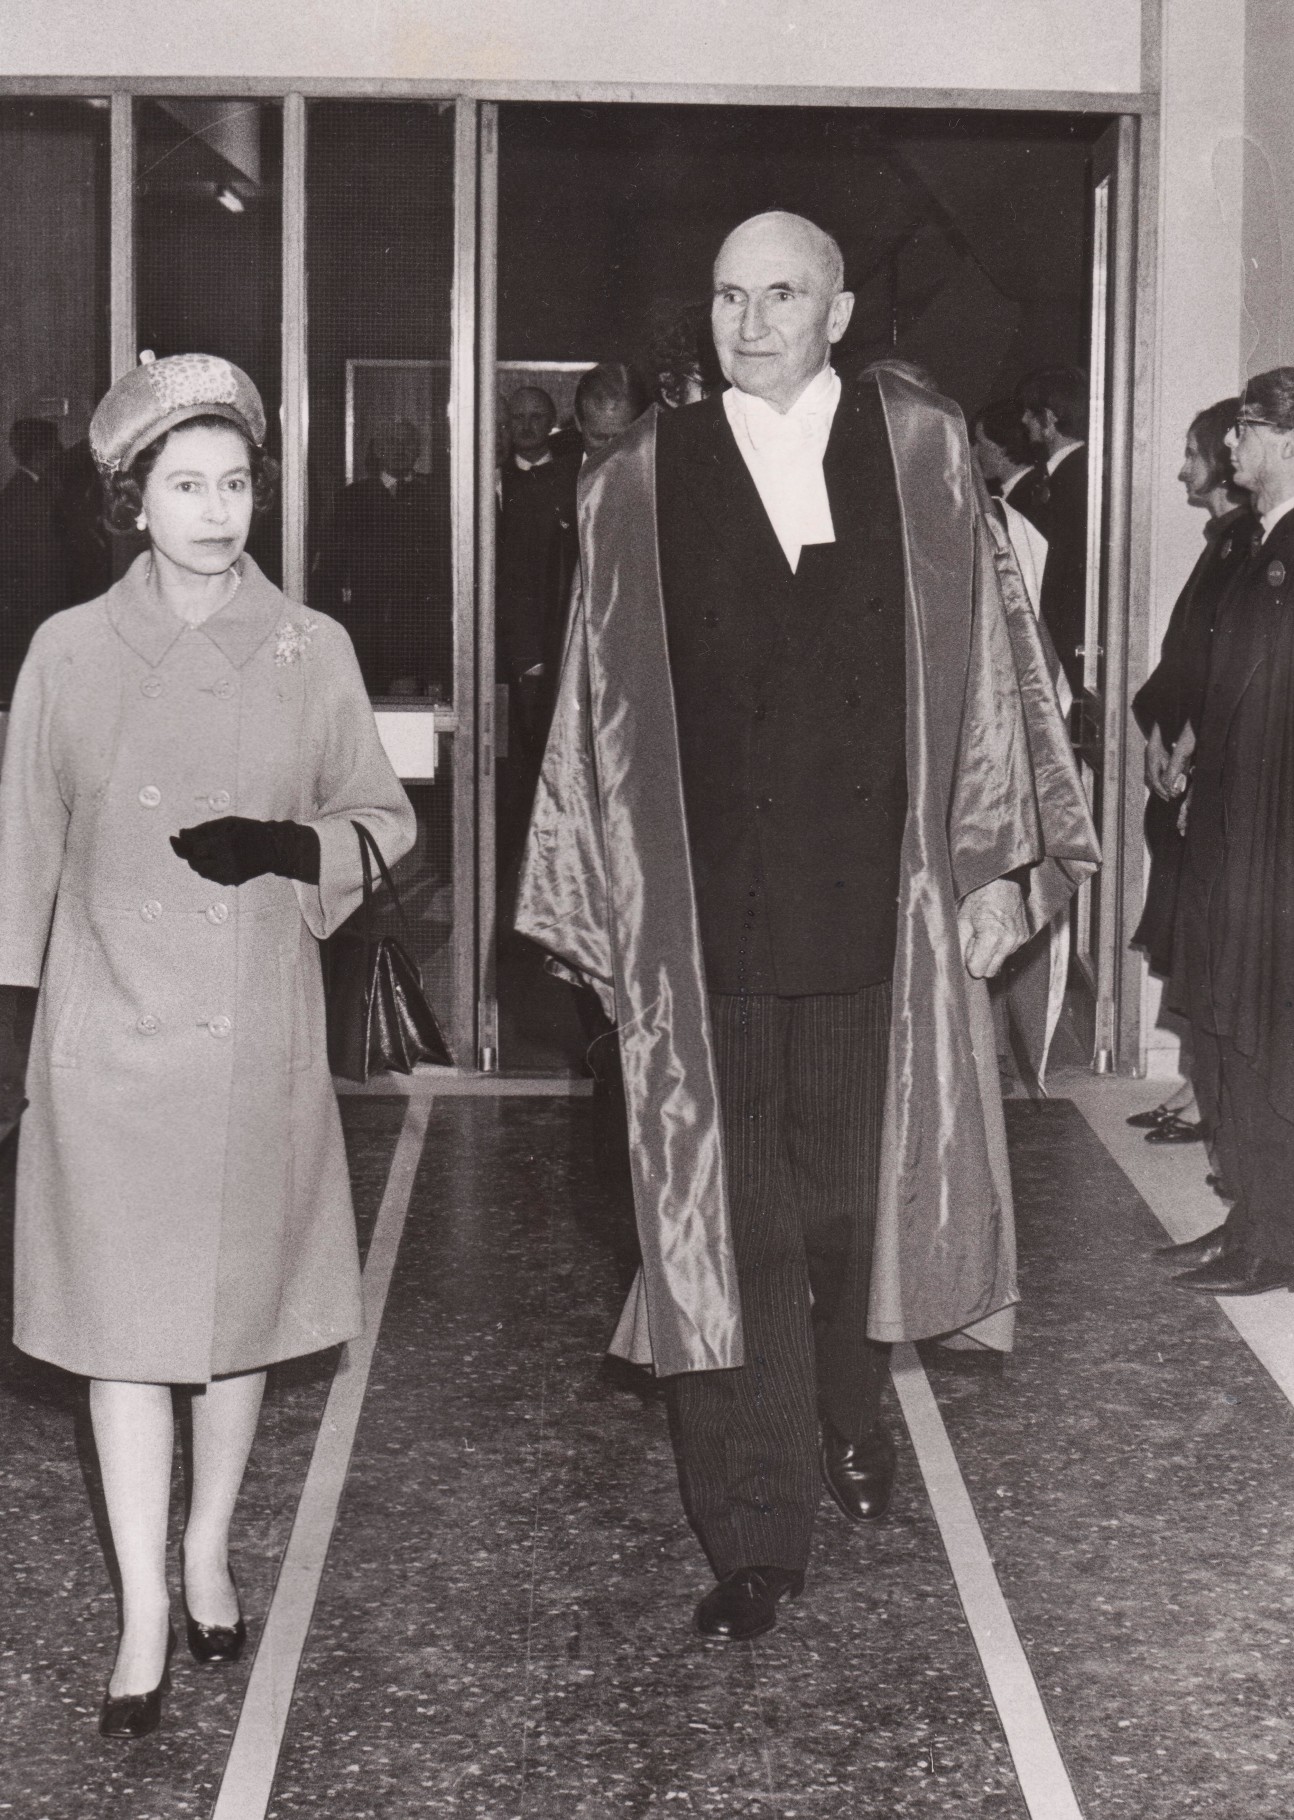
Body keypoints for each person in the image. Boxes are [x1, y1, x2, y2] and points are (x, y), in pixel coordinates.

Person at [517, 211, 1096, 1641]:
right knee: (733, 1221)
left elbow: (991, 678)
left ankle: (849, 1397)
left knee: (847, 1207)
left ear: (836, 313)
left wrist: (993, 870)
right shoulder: (638, 480)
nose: (751, 319)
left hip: (873, 919)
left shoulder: (920, 455)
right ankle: (753, 1528)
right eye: (727, 294)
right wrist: (596, 906)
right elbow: (591, 715)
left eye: (782, 294)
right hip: (705, 922)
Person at [0, 353, 415, 1736]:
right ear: (133, 500)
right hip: (106, 1041)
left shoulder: (312, 648)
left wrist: (289, 845)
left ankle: (207, 1551)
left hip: (251, 1041)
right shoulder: (65, 650)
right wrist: (11, 1041)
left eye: (235, 482)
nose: (217, 510)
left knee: (233, 1330)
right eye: (185, 485)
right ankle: (135, 1613)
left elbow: (380, 818)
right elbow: (23, 861)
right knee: (124, 1337)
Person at [1162, 368, 1294, 1296]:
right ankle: (1249, 1217)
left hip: (1273, 835)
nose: (1232, 444)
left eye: (1247, 427)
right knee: (1227, 1030)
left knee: (1263, 1036)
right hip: (1235, 823)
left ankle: (1276, 1238)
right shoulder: (1258, 544)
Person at [1130, 398, 1251, 1144]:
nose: (1183, 469)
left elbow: (1215, 668)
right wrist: (1159, 731)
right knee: (1187, 930)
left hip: (1199, 764)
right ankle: (1196, 1082)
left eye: (1193, 454)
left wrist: (1181, 741)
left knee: (1203, 933)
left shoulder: (1244, 547)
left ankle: (1207, 1092)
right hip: (1182, 752)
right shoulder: (1226, 543)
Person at [313, 418, 441, 696]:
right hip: (365, 622)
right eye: (391, 442)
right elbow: (331, 567)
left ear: (418, 450)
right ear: (378, 450)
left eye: (407, 442)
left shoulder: (435, 496)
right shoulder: (351, 498)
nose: (399, 449)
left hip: (416, 623)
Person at [1016, 366, 1089, 695]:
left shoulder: (1074, 479)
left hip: (1065, 643)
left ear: (1049, 419)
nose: (1024, 422)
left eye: (1030, 415)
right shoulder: (1066, 474)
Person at [0, 417, 67, 698]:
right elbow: (41, 563)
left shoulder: (36, 489)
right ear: (43, 450)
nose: (61, 451)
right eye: (55, 446)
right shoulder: (24, 497)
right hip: (33, 612)